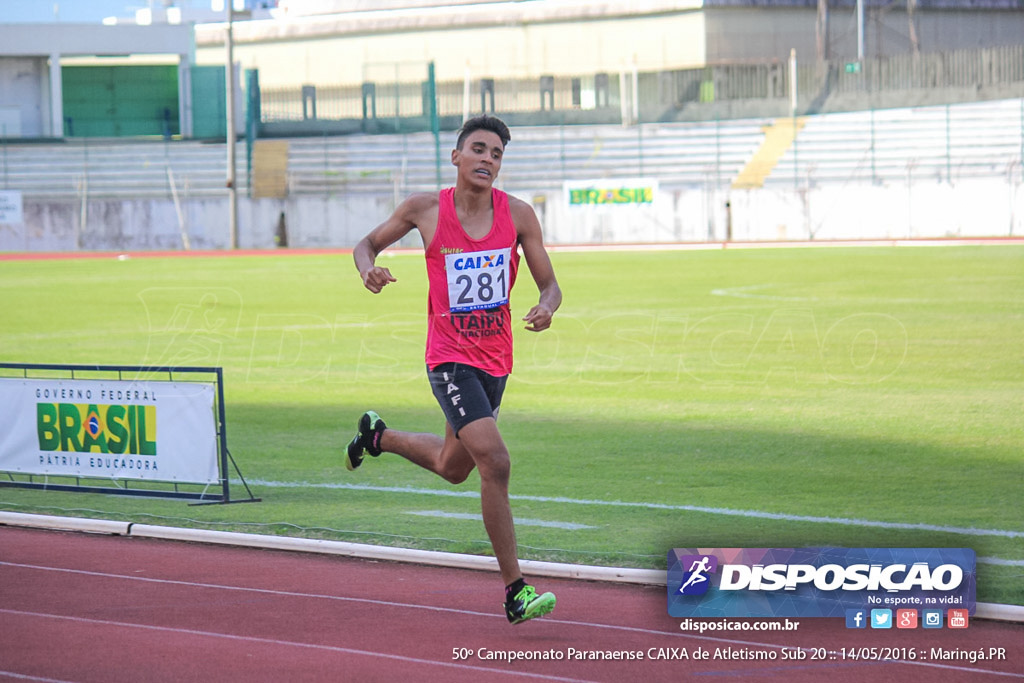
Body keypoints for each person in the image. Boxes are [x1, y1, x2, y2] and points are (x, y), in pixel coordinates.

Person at [348, 114, 562, 625]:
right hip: (448, 358)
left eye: (497, 154)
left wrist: (547, 306)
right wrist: (367, 269)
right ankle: (515, 590)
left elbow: (550, 284)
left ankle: (377, 438)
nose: (489, 159)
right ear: (457, 157)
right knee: (496, 462)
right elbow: (366, 244)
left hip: (496, 361)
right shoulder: (424, 209)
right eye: (480, 149)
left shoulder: (520, 215)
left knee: (454, 466)